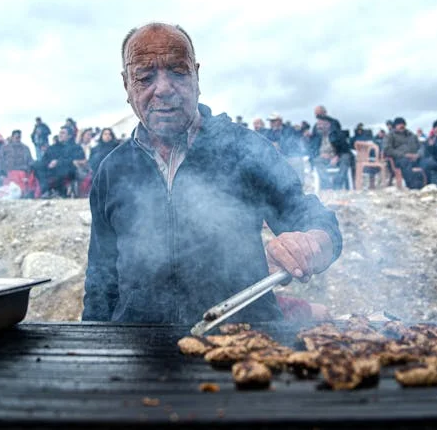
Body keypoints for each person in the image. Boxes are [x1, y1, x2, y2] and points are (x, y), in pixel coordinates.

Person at [82, 22, 341, 324]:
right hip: (139, 348)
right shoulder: (112, 170)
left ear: (196, 75)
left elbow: (308, 214)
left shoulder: (243, 147)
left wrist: (314, 242)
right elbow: (101, 278)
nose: (163, 89)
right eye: (145, 77)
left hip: (243, 341)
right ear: (127, 85)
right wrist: (93, 342)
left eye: (178, 71)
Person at [33, 126, 84, 197]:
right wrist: (48, 164)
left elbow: (78, 160)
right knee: (37, 165)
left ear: (69, 136)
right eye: (60, 133)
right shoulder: (53, 147)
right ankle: (45, 191)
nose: (60, 135)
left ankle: (60, 191)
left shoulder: (76, 147)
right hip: (51, 170)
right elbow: (45, 159)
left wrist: (58, 162)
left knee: (62, 170)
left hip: (68, 169)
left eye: (63, 133)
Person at [310, 111, 352, 189]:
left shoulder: (337, 134)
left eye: (321, 124)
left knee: (346, 158)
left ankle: (337, 184)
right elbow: (311, 150)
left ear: (328, 125)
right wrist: (320, 154)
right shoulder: (317, 136)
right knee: (316, 160)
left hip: (337, 158)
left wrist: (337, 156)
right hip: (324, 159)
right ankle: (327, 186)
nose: (318, 127)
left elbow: (346, 149)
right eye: (318, 124)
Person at [383, 117, 422, 188]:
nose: (401, 126)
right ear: (395, 126)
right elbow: (387, 150)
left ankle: (429, 184)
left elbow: (421, 147)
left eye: (403, 124)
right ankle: (413, 186)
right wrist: (404, 155)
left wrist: (418, 154)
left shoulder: (411, 135)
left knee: (427, 161)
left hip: (414, 157)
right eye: (399, 124)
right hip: (398, 159)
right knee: (405, 162)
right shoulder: (390, 136)